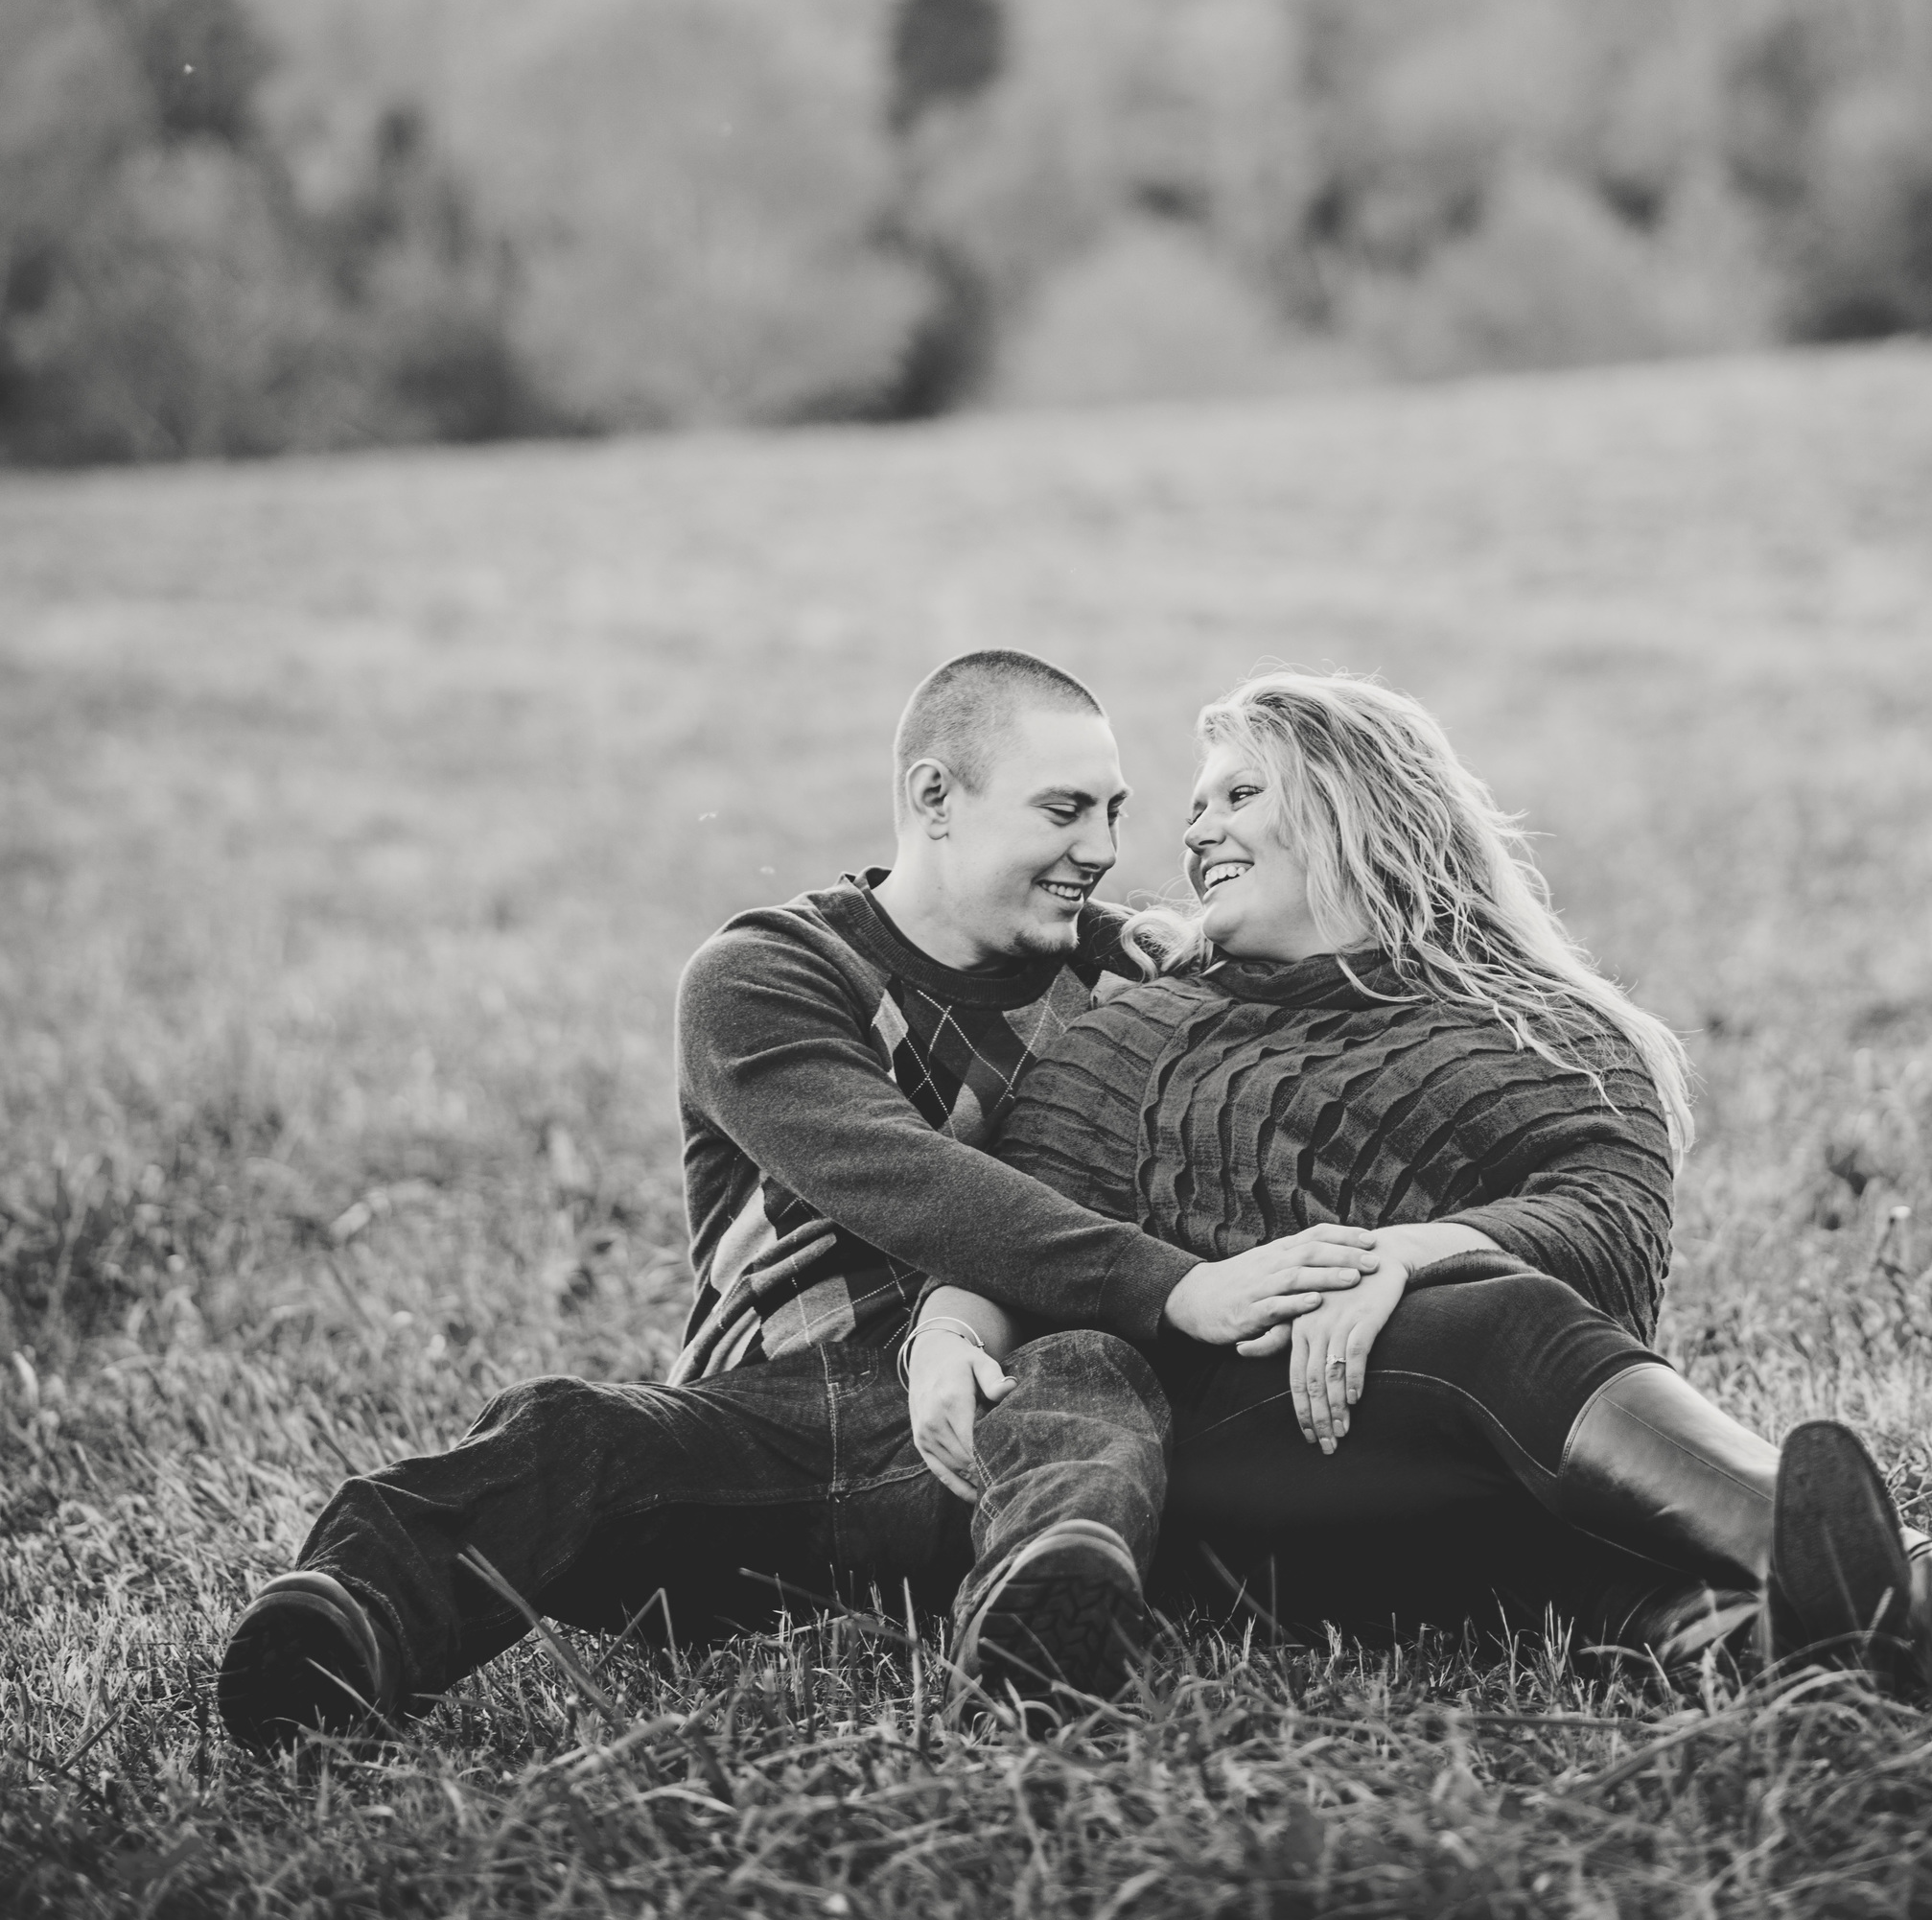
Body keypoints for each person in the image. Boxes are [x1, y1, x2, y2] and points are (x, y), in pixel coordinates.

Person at [216, 648, 1379, 1750]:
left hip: (998, 1420)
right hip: (770, 1429)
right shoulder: (770, 973)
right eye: (1063, 810)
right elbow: (904, 1178)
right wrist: (1180, 1288)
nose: (1101, 847)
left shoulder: (1124, 974)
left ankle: (1042, 1619)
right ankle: (346, 1630)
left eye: (1114, 812)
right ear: (934, 796)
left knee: (1086, 1381)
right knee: (567, 1434)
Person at [909, 670, 1932, 1701]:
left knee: (1567, 1517)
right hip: (1220, 1457)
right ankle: (1896, 1572)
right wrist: (950, 1329)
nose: (1194, 828)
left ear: (1353, 806)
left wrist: (1406, 1254)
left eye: (1239, 795)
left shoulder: (1540, 1026)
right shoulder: (1138, 1037)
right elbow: (1027, 1225)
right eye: (1198, 804)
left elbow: (1607, 1222)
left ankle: (1799, 1642)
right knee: (1496, 1334)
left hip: (1471, 1471)